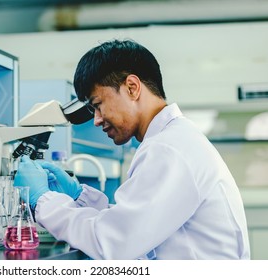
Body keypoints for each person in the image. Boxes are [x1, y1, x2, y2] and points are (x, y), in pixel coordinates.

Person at [13, 39, 250, 260]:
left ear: (132, 87)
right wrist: (79, 197)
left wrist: (43, 199)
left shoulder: (168, 149)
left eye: (98, 105)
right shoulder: (173, 139)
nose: (96, 120)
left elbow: (113, 242)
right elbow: (136, 222)